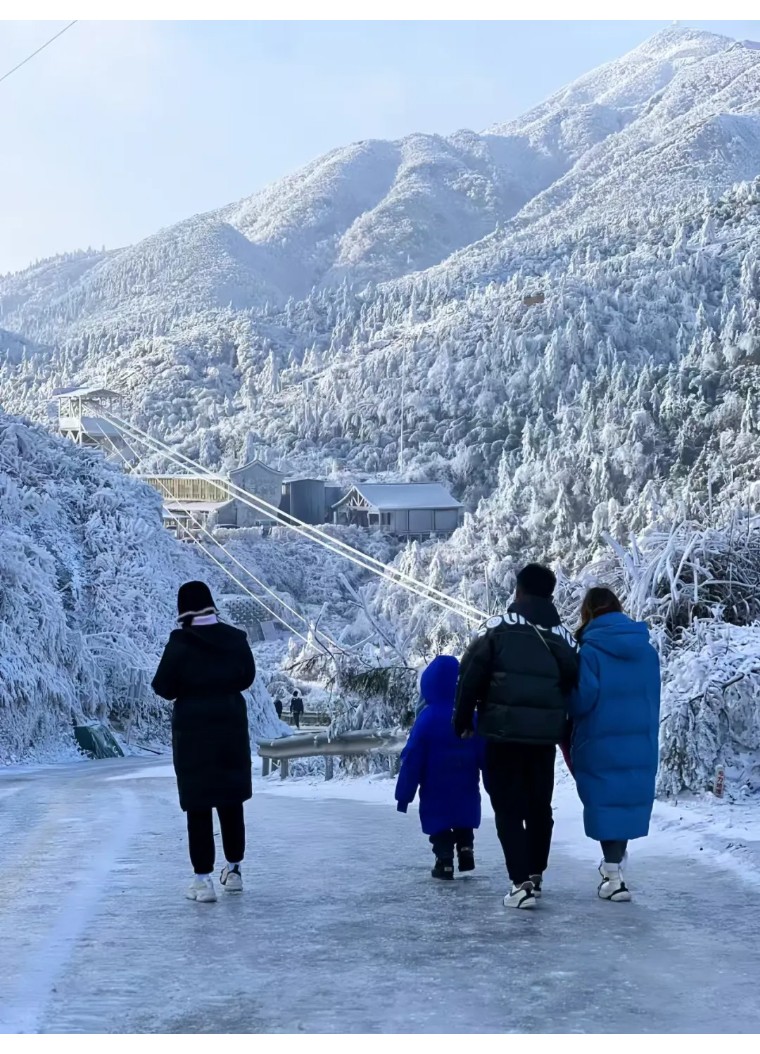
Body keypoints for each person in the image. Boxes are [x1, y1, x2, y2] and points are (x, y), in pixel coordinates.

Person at [454, 563, 579, 909]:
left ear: (518, 591)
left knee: (508, 808)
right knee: (539, 806)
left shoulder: (497, 628)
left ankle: (519, 882)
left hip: (502, 734)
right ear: (550, 595)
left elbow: (469, 675)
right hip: (543, 738)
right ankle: (535, 874)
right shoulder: (563, 637)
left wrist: (462, 720)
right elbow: (575, 681)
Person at [152, 581, 256, 903]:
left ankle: (203, 881)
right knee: (231, 801)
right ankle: (234, 872)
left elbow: (163, 686)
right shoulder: (236, 639)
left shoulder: (180, 643)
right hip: (230, 729)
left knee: (198, 806)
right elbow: (247, 677)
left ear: (183, 610)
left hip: (193, 734)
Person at [569, 587, 660, 902]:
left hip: (600, 741)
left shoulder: (590, 652)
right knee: (624, 802)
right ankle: (616, 864)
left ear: (587, 613)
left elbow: (581, 701)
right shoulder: (647, 651)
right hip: (640, 740)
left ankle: (613, 876)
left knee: (606, 803)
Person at [396, 656, 485, 880]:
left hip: (435, 787)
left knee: (439, 820)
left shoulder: (426, 719)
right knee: (464, 816)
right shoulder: (471, 716)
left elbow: (412, 756)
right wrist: (496, 784)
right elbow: (485, 751)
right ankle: (466, 849)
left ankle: (444, 860)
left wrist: (404, 795)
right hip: (466, 784)